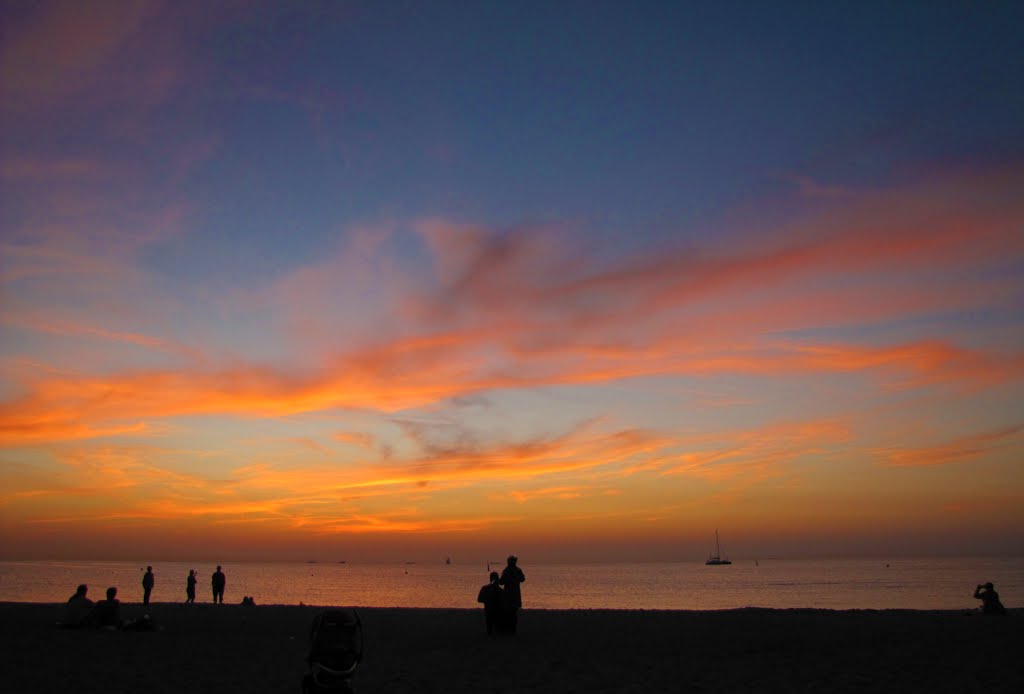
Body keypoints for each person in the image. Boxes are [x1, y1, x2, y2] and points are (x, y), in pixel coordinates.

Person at [499, 555, 526, 633]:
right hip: (514, 595)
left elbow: (501, 582)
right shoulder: (517, 570)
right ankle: (512, 629)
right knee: (512, 613)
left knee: (510, 613)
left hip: (509, 595)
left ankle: (510, 629)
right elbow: (522, 579)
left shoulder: (507, 571)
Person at [477, 571, 504, 636]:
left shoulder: (485, 588)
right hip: (494, 610)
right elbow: (479, 599)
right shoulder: (500, 590)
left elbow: (479, 599)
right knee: (493, 625)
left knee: (490, 625)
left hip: (490, 609)